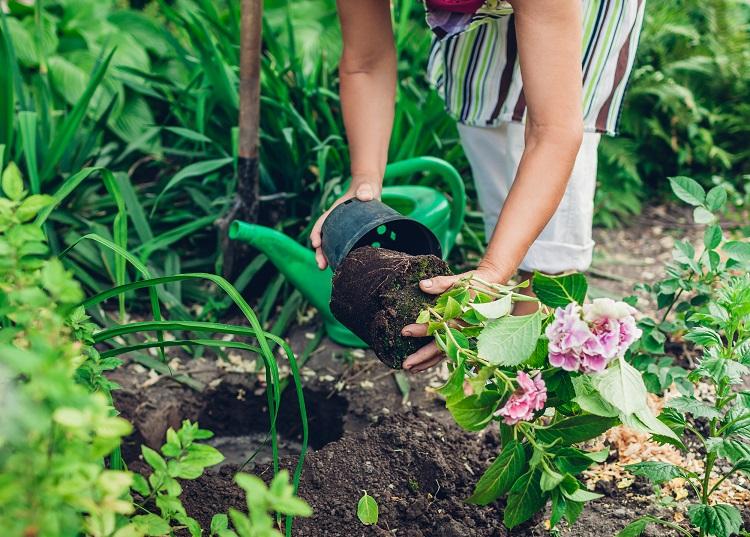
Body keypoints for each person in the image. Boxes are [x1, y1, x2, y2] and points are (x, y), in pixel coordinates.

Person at [310, 0, 646, 372]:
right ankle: (506, 349)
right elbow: (366, 62)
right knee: (488, 110)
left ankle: (536, 369)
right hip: (483, 32)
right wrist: (365, 181)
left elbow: (554, 132)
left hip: (570, 13)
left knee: (552, 243)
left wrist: (491, 272)